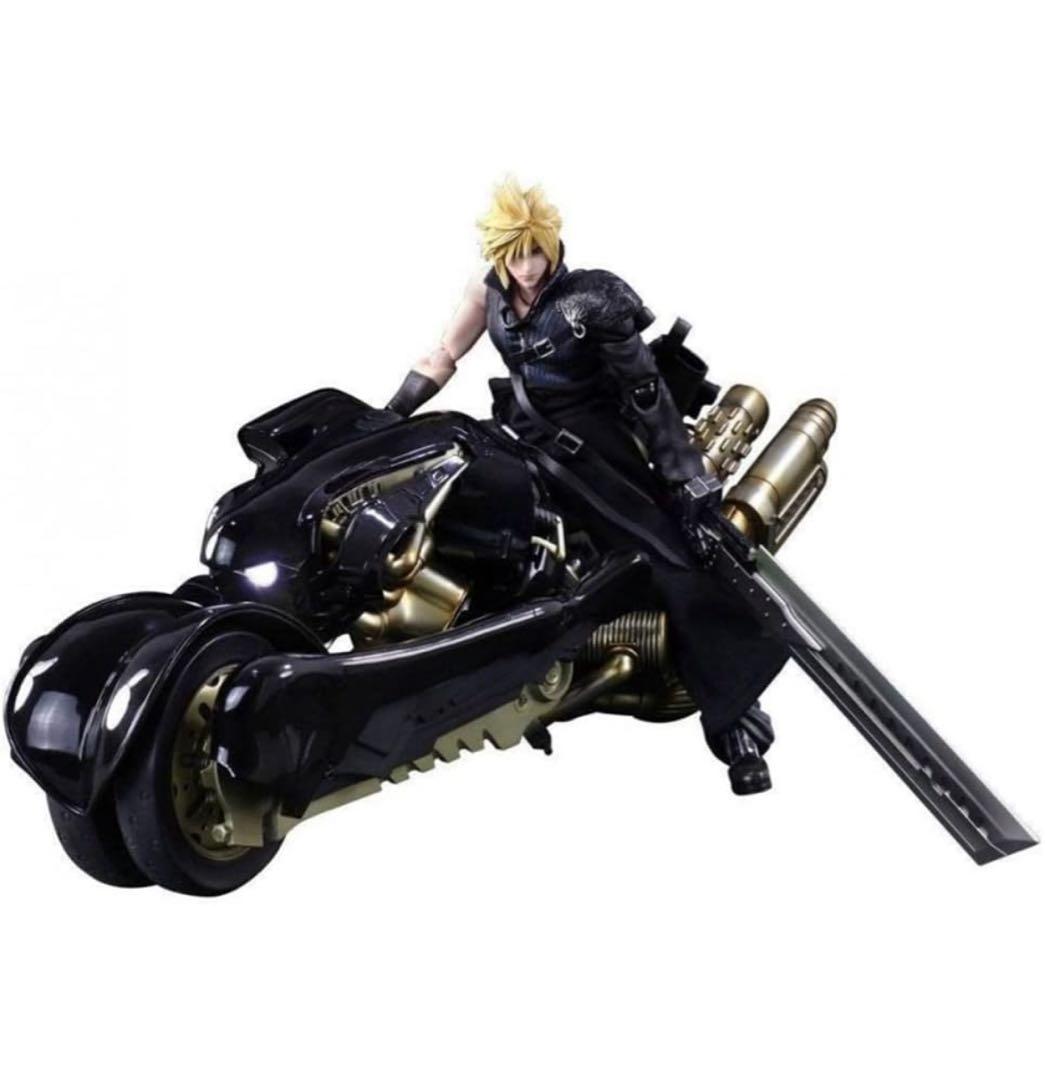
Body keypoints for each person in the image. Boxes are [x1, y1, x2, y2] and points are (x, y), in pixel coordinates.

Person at [386, 178, 787, 794]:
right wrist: (388, 416)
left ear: (552, 245)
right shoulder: (486, 289)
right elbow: (443, 353)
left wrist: (684, 476)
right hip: (516, 431)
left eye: (535, 252)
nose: (526, 267)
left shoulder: (592, 298)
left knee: (674, 559)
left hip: (593, 448)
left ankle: (734, 719)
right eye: (514, 255)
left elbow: (645, 390)